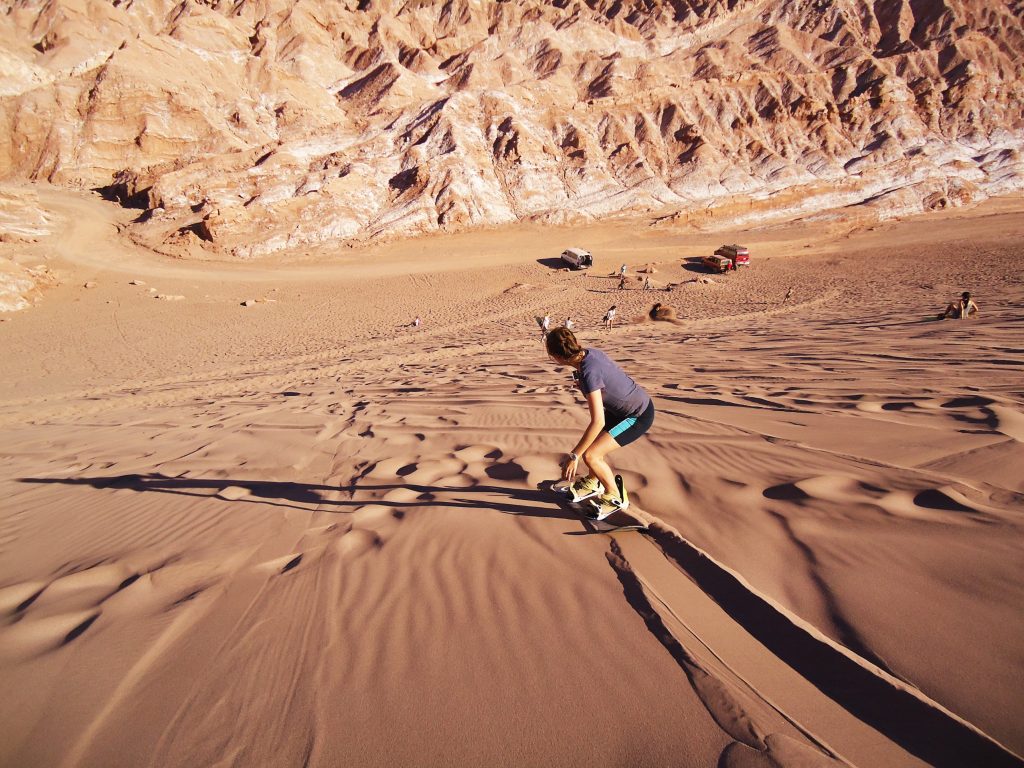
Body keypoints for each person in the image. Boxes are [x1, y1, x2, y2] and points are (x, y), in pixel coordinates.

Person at [546, 327, 655, 519]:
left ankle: (615, 496)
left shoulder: (588, 373)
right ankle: (591, 482)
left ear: (556, 356)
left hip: (637, 415)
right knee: (594, 444)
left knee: (591, 455)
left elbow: (597, 421)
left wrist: (574, 456)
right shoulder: (589, 354)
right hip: (622, 409)